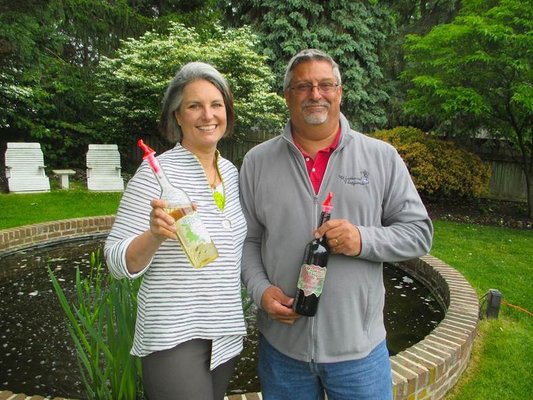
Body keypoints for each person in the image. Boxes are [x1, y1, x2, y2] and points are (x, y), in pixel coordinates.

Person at [239, 49, 433, 400]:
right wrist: (260, 291)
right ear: (287, 96)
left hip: (359, 354)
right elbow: (248, 241)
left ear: (339, 92)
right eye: (303, 86)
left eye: (325, 84)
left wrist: (362, 239)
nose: (316, 94)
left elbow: (419, 233)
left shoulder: (381, 158)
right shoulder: (257, 162)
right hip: (282, 352)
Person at [104, 62, 247, 400]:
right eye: (194, 106)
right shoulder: (156, 174)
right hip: (174, 334)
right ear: (177, 116)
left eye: (216, 104)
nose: (207, 115)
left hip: (224, 332)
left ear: (227, 110)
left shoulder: (231, 171)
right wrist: (153, 235)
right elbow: (115, 260)